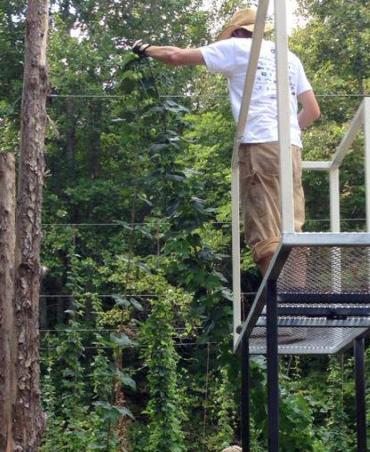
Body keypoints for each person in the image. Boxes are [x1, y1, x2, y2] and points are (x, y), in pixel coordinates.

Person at [132, 8, 321, 277]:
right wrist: (286, 130)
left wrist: (147, 49)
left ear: (237, 33)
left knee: (265, 225)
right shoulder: (289, 57)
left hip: (259, 142)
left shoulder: (238, 48)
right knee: (292, 225)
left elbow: (176, 56)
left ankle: (277, 304)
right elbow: (313, 111)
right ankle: (296, 297)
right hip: (291, 147)